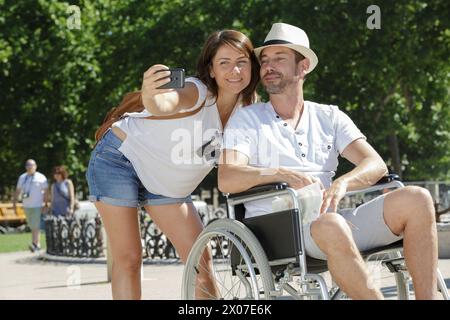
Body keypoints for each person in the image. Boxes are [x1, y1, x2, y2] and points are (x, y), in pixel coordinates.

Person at [219, 23, 438, 299]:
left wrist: (343, 183)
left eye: (279, 59)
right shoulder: (247, 119)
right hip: (278, 232)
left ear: (303, 66)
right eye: (264, 61)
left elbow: (375, 164)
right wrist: (280, 173)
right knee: (331, 224)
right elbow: (227, 177)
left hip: (329, 221)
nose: (268, 67)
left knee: (417, 198)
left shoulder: (329, 116)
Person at [86, 29, 260, 299]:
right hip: (119, 161)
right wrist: (153, 95)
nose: (234, 70)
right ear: (211, 70)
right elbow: (166, 103)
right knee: (129, 257)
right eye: (224, 63)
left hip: (166, 185)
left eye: (241, 62)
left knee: (200, 261)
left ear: (252, 66)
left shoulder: (248, 112)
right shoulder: (197, 92)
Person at [13, 159, 49, 252]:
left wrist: (45, 204)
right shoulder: (22, 177)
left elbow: (46, 192)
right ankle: (36, 244)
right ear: (25, 167)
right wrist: (14, 202)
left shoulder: (41, 177)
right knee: (32, 225)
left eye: (32, 165)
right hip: (26, 205)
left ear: (35, 166)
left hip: (37, 205)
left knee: (36, 225)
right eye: (28, 165)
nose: (30, 167)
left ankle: (36, 244)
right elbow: (18, 191)